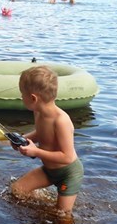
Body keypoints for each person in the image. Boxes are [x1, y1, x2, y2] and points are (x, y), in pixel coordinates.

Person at [8, 66, 84, 213]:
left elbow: (67, 157)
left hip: (68, 173)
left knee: (62, 215)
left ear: (33, 98)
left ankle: (54, 211)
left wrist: (36, 151)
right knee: (17, 191)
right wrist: (23, 139)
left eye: (22, 94)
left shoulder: (61, 121)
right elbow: (41, 132)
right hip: (49, 170)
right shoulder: (38, 112)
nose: (21, 97)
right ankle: (45, 207)